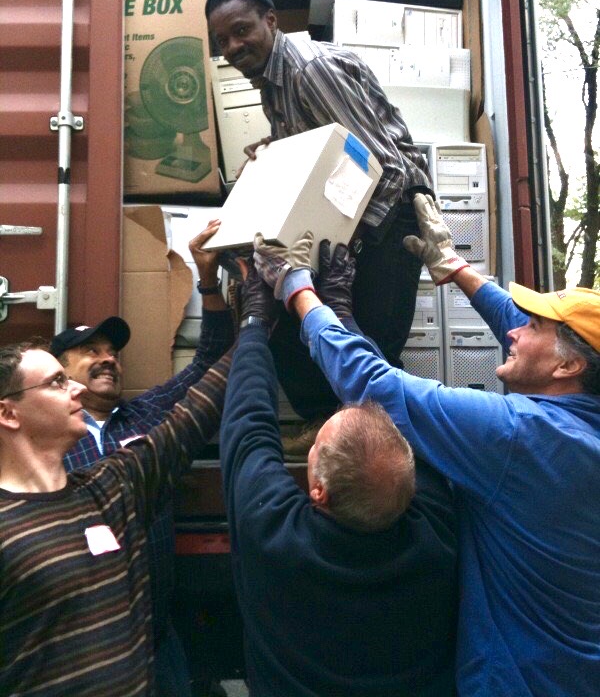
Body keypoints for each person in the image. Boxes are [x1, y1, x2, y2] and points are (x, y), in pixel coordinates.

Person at [252, 200, 600, 697]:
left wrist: (298, 290)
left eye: (533, 326)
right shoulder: (581, 425)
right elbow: (525, 328)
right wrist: (456, 268)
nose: (514, 331)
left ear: (567, 369)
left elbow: (373, 384)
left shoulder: (521, 438)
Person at [218, 258, 458, 697]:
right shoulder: (438, 538)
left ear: (318, 492)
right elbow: (394, 407)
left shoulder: (277, 538)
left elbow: (249, 426)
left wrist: (255, 319)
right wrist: (341, 313)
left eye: (315, 447)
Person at [206, 0, 433, 423]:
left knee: (372, 357)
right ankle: (333, 434)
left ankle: (397, 464)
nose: (232, 47)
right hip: (361, 223)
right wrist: (275, 148)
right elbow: (324, 143)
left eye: (241, 30)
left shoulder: (308, 71)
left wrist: (344, 244)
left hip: (389, 220)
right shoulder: (272, 78)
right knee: (298, 330)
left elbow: (379, 165)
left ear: (270, 20)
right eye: (222, 40)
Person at [49, 219, 234, 696]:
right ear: (58, 371)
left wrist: (208, 280)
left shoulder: (145, 413)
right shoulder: (44, 436)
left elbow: (209, 361)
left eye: (113, 351)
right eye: (91, 351)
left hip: (155, 636)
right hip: (82, 649)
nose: (108, 358)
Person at [0, 335, 231, 695]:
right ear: (8, 413)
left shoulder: (109, 490)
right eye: (57, 382)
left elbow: (194, 414)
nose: (75, 389)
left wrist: (259, 316)